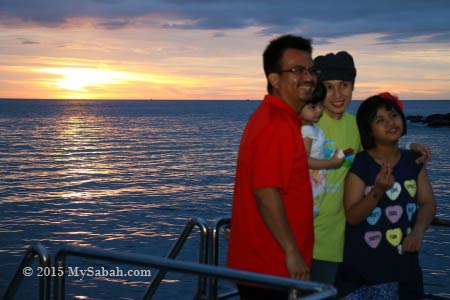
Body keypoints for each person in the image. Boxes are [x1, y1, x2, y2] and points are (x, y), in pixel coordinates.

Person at [310, 52, 432, 285]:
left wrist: (410, 147)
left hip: (334, 239)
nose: (337, 94)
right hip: (301, 234)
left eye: (344, 85)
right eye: (328, 86)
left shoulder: (354, 126)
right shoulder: (308, 124)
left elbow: (379, 149)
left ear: (353, 86)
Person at [227, 34, 319, 300]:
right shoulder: (276, 124)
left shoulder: (279, 119)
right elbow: (266, 192)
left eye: (311, 70)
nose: (308, 77)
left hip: (267, 265)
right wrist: (292, 252)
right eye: (297, 70)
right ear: (274, 79)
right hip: (272, 267)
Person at [336, 93, 436, 299]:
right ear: (369, 130)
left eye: (393, 115)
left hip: (405, 266)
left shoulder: (414, 160)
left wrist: (418, 232)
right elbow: (353, 216)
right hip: (364, 269)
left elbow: (427, 203)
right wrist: (377, 191)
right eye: (380, 120)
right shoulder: (361, 163)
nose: (390, 123)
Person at [300, 82, 345, 218]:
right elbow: (304, 160)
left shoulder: (311, 126)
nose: (319, 110)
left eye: (320, 105)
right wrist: (330, 163)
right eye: (313, 107)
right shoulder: (306, 130)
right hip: (310, 181)